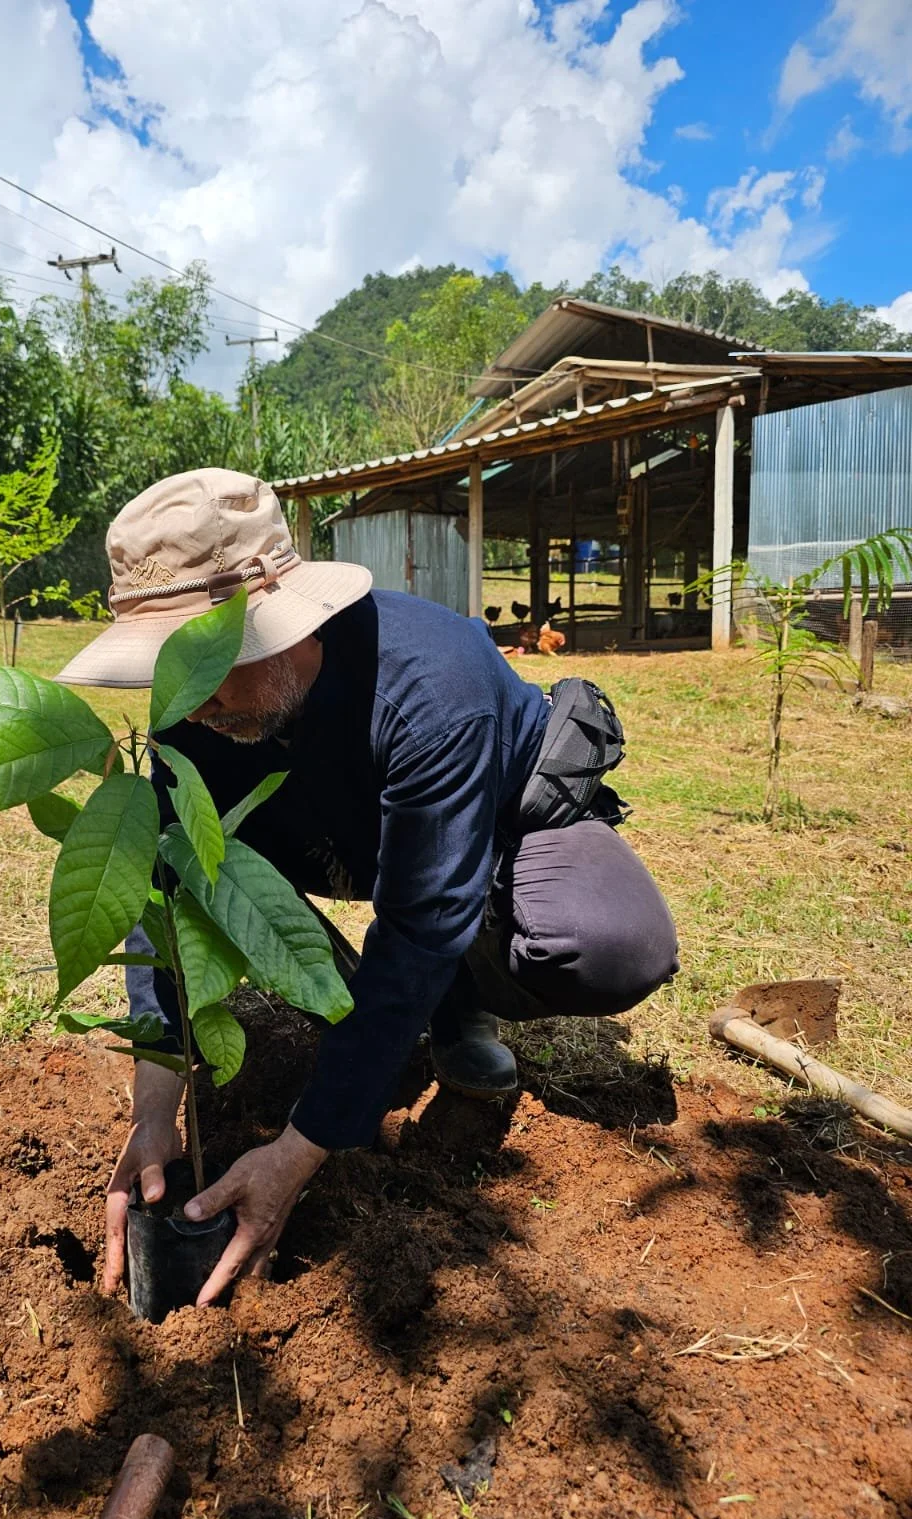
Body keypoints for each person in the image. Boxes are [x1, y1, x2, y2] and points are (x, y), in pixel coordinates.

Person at [57, 469, 678, 1306]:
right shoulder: (195, 709)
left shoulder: (433, 686)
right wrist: (155, 1106)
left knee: (607, 944)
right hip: (347, 840)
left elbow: (423, 919)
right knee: (201, 860)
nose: (193, 704)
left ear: (284, 623)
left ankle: (457, 1004)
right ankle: (370, 1006)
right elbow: (161, 889)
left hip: (499, 828)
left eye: (211, 663)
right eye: (172, 671)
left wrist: (298, 1152)